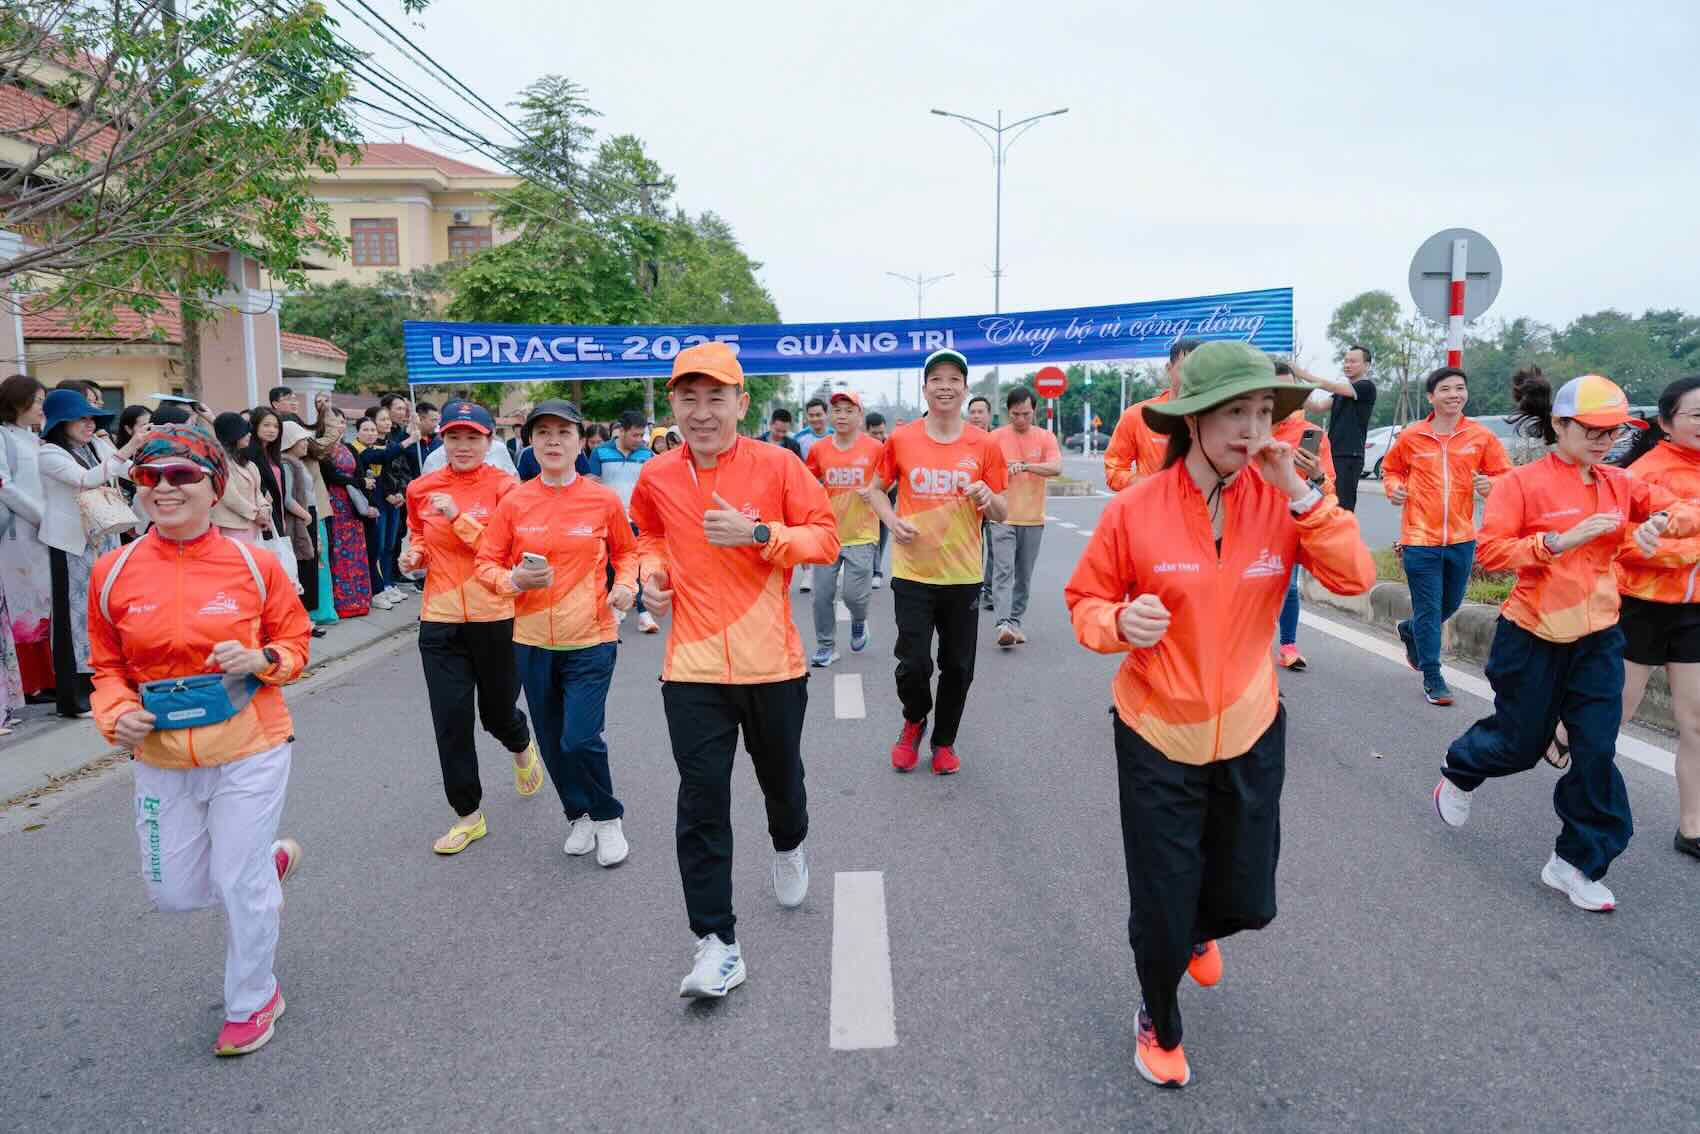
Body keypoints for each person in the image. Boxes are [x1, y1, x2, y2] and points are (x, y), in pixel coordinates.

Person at [1064, 341, 1374, 1089]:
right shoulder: (1136, 509)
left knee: (1249, 900)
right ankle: (1159, 1018)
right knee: (1163, 903)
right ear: (1194, 418)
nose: (1252, 428)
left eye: (1264, 411)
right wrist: (1117, 625)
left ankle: (1203, 928)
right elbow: (1086, 601)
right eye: (1236, 411)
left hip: (1249, 725)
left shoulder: (1284, 499)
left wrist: (1303, 498)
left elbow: (1356, 579)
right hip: (1155, 730)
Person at [1434, 371, 1697, 913]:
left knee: (1597, 750)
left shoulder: (1621, 484)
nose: (1604, 442)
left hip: (1599, 637)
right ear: (1559, 423)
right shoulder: (1521, 482)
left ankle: (1576, 863)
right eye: (1592, 430)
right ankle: (1460, 772)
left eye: (1613, 433)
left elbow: (1679, 508)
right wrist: (1557, 541)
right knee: (1519, 743)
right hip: (1531, 633)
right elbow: (1491, 554)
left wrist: (1660, 524)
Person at [88, 423, 310, 1057]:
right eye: (150, 477)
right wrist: (116, 714)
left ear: (213, 487)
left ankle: (253, 998)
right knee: (174, 892)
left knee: (237, 882)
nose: (164, 488)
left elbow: (294, 646)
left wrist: (259, 658)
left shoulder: (253, 562)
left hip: (251, 743)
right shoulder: (112, 571)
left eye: (181, 475)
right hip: (160, 754)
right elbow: (106, 669)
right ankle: (264, 872)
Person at [627, 342, 838, 999]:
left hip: (771, 664)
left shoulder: (779, 465)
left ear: (740, 403)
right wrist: (650, 577)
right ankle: (717, 944)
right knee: (701, 801)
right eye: (688, 398)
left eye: (716, 397)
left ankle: (789, 842)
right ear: (674, 406)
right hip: (690, 666)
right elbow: (647, 537)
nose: (702, 411)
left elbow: (826, 538)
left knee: (782, 782)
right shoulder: (658, 474)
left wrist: (759, 536)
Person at [475, 400, 637, 866]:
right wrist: (512, 582)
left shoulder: (602, 498)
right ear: (530, 441)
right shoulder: (515, 501)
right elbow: (486, 561)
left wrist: (625, 585)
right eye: (543, 432)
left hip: (591, 636)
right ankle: (579, 816)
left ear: (579, 440)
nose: (552, 441)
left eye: (563, 432)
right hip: (531, 640)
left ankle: (608, 819)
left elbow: (628, 553)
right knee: (549, 737)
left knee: (580, 737)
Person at [400, 399, 540, 855]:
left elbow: (506, 554)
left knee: (497, 714)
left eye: (472, 437)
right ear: (440, 439)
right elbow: (418, 538)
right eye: (453, 437)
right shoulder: (421, 487)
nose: (463, 446)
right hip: (439, 619)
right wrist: (413, 555)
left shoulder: (506, 488)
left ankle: (520, 744)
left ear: (488, 441)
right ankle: (468, 815)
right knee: (451, 721)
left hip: (495, 615)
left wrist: (457, 519)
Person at [866, 348, 1009, 775]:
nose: (945, 385)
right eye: (937, 379)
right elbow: (875, 489)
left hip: (963, 574)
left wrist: (988, 497)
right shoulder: (902, 439)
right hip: (912, 571)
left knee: (958, 666)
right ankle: (914, 720)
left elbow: (1002, 511)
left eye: (954, 379)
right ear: (925, 388)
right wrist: (891, 519)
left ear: (965, 389)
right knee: (913, 663)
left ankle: (944, 741)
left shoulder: (984, 444)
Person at [1383, 366, 1512, 703]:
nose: (1454, 394)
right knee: (1429, 609)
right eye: (1445, 389)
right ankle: (1433, 675)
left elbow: (1505, 474)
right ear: (1431, 397)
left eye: (1459, 388)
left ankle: (1410, 630)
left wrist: (1492, 484)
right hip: (1419, 539)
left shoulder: (1480, 436)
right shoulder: (1412, 436)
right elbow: (1392, 469)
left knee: (1451, 603)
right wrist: (1394, 488)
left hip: (1461, 537)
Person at [1612, 374, 1700, 861]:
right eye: (1697, 415)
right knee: (1618, 710)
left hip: (1696, 612)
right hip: (1642, 606)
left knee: (1697, 720)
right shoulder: (1643, 473)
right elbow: (1620, 543)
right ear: (1667, 422)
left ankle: (1692, 827)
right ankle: (1584, 787)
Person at [40, 388, 146, 717]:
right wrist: (129, 446)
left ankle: (111, 683)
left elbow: (127, 470)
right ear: (61, 422)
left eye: (92, 418)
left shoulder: (97, 445)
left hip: (106, 538)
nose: (89, 424)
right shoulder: (49, 454)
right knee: (74, 619)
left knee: (106, 612)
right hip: (71, 544)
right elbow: (86, 479)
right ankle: (74, 697)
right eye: (80, 418)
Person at [804, 390, 883, 665]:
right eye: (837, 410)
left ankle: (859, 620)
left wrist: (872, 489)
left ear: (859, 415)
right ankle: (826, 646)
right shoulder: (819, 449)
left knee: (854, 595)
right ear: (829, 415)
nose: (842, 415)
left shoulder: (874, 449)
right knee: (821, 595)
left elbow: (889, 479)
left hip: (862, 533)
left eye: (849, 410)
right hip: (827, 533)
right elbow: (808, 481)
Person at [1270, 361, 1339, 672]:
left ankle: (1288, 645)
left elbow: (1328, 487)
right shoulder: (1243, 428)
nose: (1282, 398)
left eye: (1288, 390)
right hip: (1242, 525)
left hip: (1289, 524)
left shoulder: (1311, 434)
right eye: (1275, 390)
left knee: (1289, 587)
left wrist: (1317, 475)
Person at [988, 386, 1062, 647]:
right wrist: (1003, 469)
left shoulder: (1045, 438)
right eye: (1015, 414)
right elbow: (983, 472)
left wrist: (1027, 466)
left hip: (1032, 518)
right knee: (1003, 570)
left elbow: (1056, 467)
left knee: (1024, 574)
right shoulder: (995, 438)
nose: (1020, 420)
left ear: (1034, 412)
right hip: (1002, 517)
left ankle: (1016, 621)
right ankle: (1003, 624)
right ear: (1007, 412)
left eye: (1026, 414)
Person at [0, 375, 55, 697]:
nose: (42, 407)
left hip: (42, 532)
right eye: (37, 400)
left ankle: (48, 678)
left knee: (43, 599)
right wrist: (38, 515)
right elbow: (3, 483)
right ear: (18, 402)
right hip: (17, 534)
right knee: (23, 603)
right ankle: (30, 683)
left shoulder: (35, 439)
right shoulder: (4, 437)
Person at [586, 408, 658, 634]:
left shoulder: (647, 456)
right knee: (608, 568)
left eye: (642, 435)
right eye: (635, 435)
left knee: (636, 566)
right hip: (607, 521)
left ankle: (644, 614)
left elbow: (652, 488)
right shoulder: (599, 453)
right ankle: (613, 610)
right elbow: (592, 483)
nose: (640, 440)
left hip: (637, 520)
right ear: (622, 431)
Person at [1103, 339, 1202, 491]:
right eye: (1185, 369)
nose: (1192, 377)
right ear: (1169, 368)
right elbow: (1114, 470)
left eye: (1199, 370)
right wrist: (1150, 485)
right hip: (1154, 509)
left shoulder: (1218, 416)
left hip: (1204, 510)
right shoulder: (1138, 415)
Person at [1296, 346, 1377, 512]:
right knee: (1328, 500)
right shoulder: (1341, 393)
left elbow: (1332, 387)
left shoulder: (1366, 387)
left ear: (1366, 365)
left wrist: (1304, 375)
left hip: (1349, 454)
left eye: (1353, 361)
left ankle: (1345, 536)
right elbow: (1317, 407)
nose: (1347, 365)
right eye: (1346, 361)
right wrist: (1294, 389)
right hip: (1332, 452)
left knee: (1343, 505)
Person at [314, 408, 371, 618]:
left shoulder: (348, 448)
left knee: (356, 549)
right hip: (333, 501)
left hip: (351, 503)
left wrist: (360, 483)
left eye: (341, 421)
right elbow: (332, 476)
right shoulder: (321, 449)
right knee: (338, 550)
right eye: (334, 422)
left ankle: (360, 600)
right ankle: (342, 602)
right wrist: (357, 481)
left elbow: (359, 474)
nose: (339, 425)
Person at [278, 421, 323, 629]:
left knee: (309, 566)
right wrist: (305, 515)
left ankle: (306, 616)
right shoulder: (287, 463)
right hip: (300, 520)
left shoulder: (297, 461)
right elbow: (286, 497)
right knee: (301, 568)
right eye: (301, 439)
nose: (306, 443)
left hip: (307, 516)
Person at [865, 411, 892, 589]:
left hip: (887, 494)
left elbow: (895, 475)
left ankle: (876, 570)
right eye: (875, 433)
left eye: (882, 432)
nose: (880, 436)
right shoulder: (862, 446)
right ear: (866, 431)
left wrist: (882, 490)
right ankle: (870, 569)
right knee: (868, 533)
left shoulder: (890, 445)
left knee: (882, 531)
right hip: (864, 497)